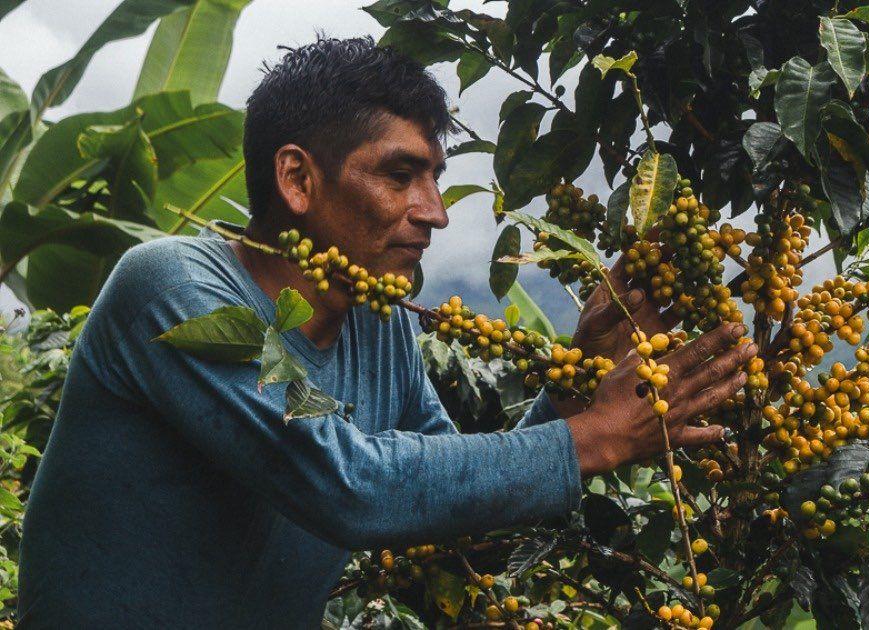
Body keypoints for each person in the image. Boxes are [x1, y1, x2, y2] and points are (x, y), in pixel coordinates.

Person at [16, 36, 753, 628]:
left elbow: (449, 512)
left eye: (434, 177)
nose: (435, 212)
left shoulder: (378, 325)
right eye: (400, 176)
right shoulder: (175, 291)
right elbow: (352, 483)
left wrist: (576, 380)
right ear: (297, 179)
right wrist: (600, 436)